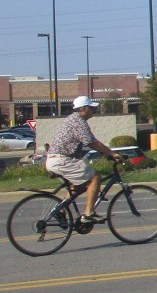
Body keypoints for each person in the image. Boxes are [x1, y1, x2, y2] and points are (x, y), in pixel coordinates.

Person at [45, 96, 122, 224]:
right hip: (62, 160)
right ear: (83, 109)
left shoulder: (73, 120)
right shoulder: (78, 122)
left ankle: (61, 211)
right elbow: (92, 143)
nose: (94, 110)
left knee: (79, 186)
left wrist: (105, 153)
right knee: (95, 177)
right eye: (91, 108)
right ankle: (88, 214)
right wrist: (112, 153)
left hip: (56, 160)